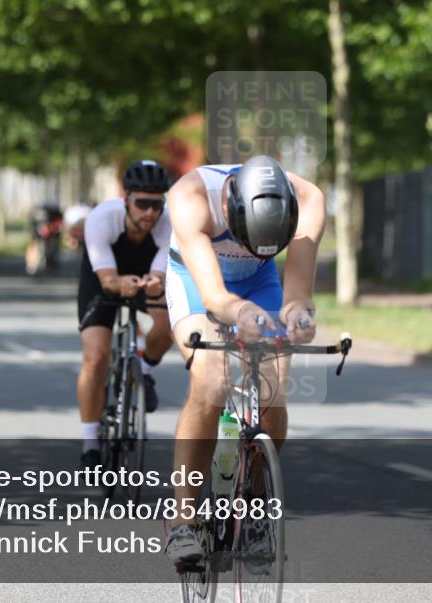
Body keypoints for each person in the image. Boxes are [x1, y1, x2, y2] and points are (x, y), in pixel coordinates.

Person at [162, 155, 324, 563]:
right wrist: (242, 314)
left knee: (273, 392)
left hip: (258, 280)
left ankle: (254, 504)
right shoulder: (190, 197)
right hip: (197, 281)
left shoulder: (308, 199)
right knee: (211, 381)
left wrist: (299, 317)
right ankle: (183, 521)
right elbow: (216, 299)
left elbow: (298, 296)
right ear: (230, 208)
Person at [76, 160, 173, 468]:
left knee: (169, 324)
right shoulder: (101, 219)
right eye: (142, 204)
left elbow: (159, 278)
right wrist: (120, 284)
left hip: (145, 276)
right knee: (96, 357)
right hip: (103, 278)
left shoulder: (170, 224)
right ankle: (91, 442)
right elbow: (108, 280)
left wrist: (154, 282)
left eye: (157, 204)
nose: (150, 213)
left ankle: (144, 372)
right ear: (126, 199)